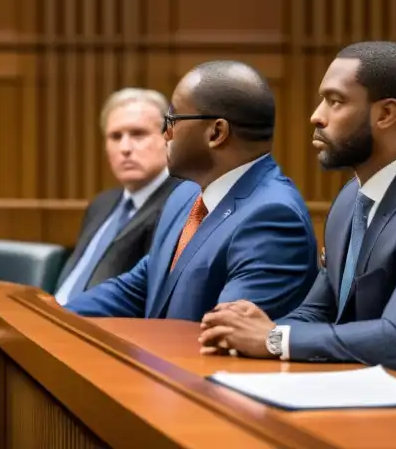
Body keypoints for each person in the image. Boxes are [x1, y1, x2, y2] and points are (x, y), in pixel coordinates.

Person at [198, 42, 396, 416]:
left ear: (385, 114)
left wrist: (272, 338)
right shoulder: (353, 197)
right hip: (374, 409)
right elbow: (317, 311)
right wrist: (247, 331)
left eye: (335, 101)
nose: (316, 116)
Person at [64, 61, 317, 320]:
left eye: (172, 120)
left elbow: (229, 335)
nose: (166, 134)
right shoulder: (185, 195)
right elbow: (138, 288)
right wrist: (57, 319)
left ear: (216, 132)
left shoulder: (272, 217)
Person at [53, 88, 182, 305]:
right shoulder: (102, 204)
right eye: (115, 137)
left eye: (138, 134)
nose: (125, 148)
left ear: (168, 137)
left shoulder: (180, 204)